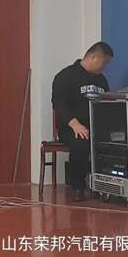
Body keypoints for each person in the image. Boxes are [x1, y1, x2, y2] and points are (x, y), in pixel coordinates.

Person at [51, 41, 113, 202]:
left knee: (115, 142)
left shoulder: (101, 80)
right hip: (72, 127)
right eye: (104, 63)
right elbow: (59, 103)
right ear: (93, 57)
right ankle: (78, 186)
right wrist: (75, 124)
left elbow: (107, 103)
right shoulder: (66, 76)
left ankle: (106, 185)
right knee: (81, 142)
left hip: (96, 127)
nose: (104, 67)